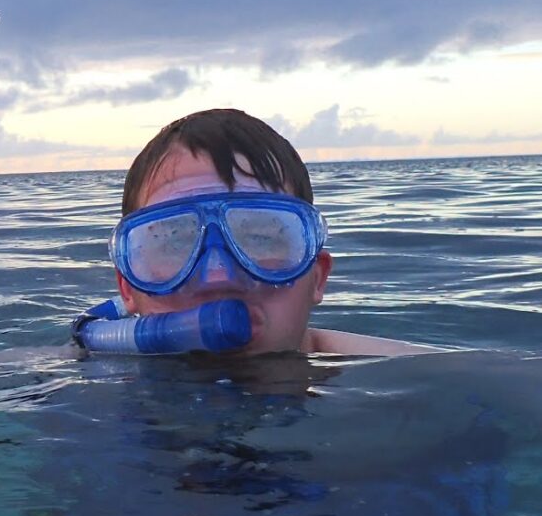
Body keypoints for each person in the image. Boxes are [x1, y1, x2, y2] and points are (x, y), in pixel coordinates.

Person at [109, 108, 439, 356]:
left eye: (259, 237)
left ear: (317, 277)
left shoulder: (420, 383)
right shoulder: (73, 386)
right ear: (128, 289)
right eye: (175, 241)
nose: (218, 277)